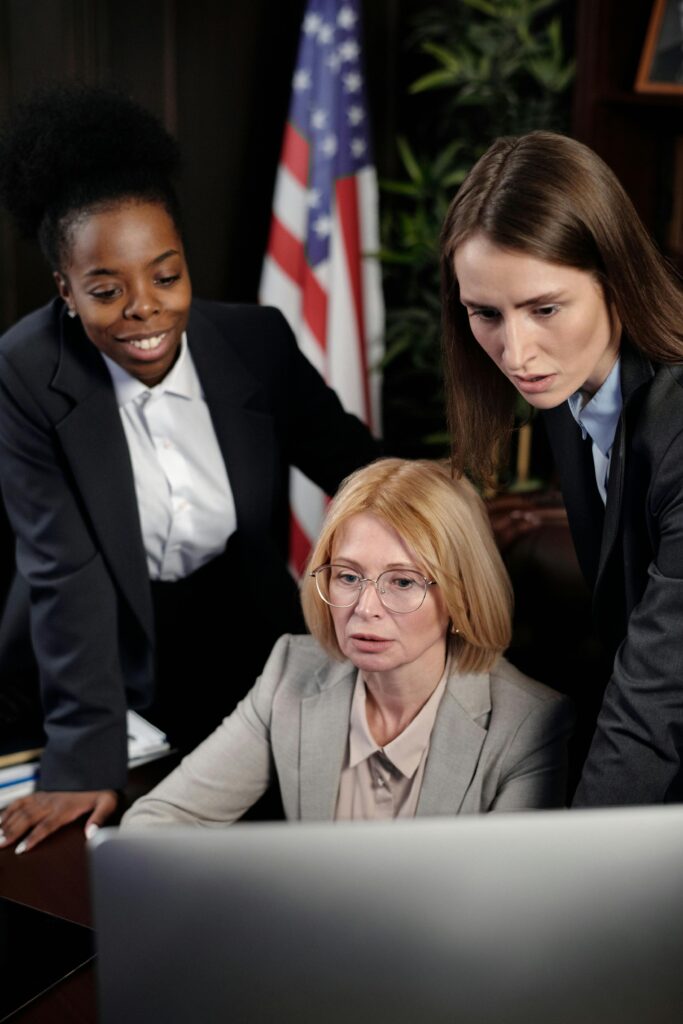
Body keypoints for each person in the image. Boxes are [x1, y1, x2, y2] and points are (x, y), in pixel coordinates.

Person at [0, 85, 379, 853]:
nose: (144, 308)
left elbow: (359, 468)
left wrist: (438, 529)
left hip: (237, 618)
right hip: (91, 630)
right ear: (65, 292)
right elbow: (62, 569)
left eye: (166, 276)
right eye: (105, 290)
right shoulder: (26, 367)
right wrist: (84, 755)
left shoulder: (257, 341)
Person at [121, 458, 573, 828]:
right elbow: (158, 820)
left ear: (460, 595)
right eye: (349, 576)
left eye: (401, 581)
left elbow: (509, 909)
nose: (365, 607)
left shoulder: (529, 727)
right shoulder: (289, 673)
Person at [440, 129, 683, 806]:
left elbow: (657, 695)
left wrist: (576, 879)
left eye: (543, 309)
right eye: (484, 314)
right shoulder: (567, 380)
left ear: (615, 278)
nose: (515, 351)